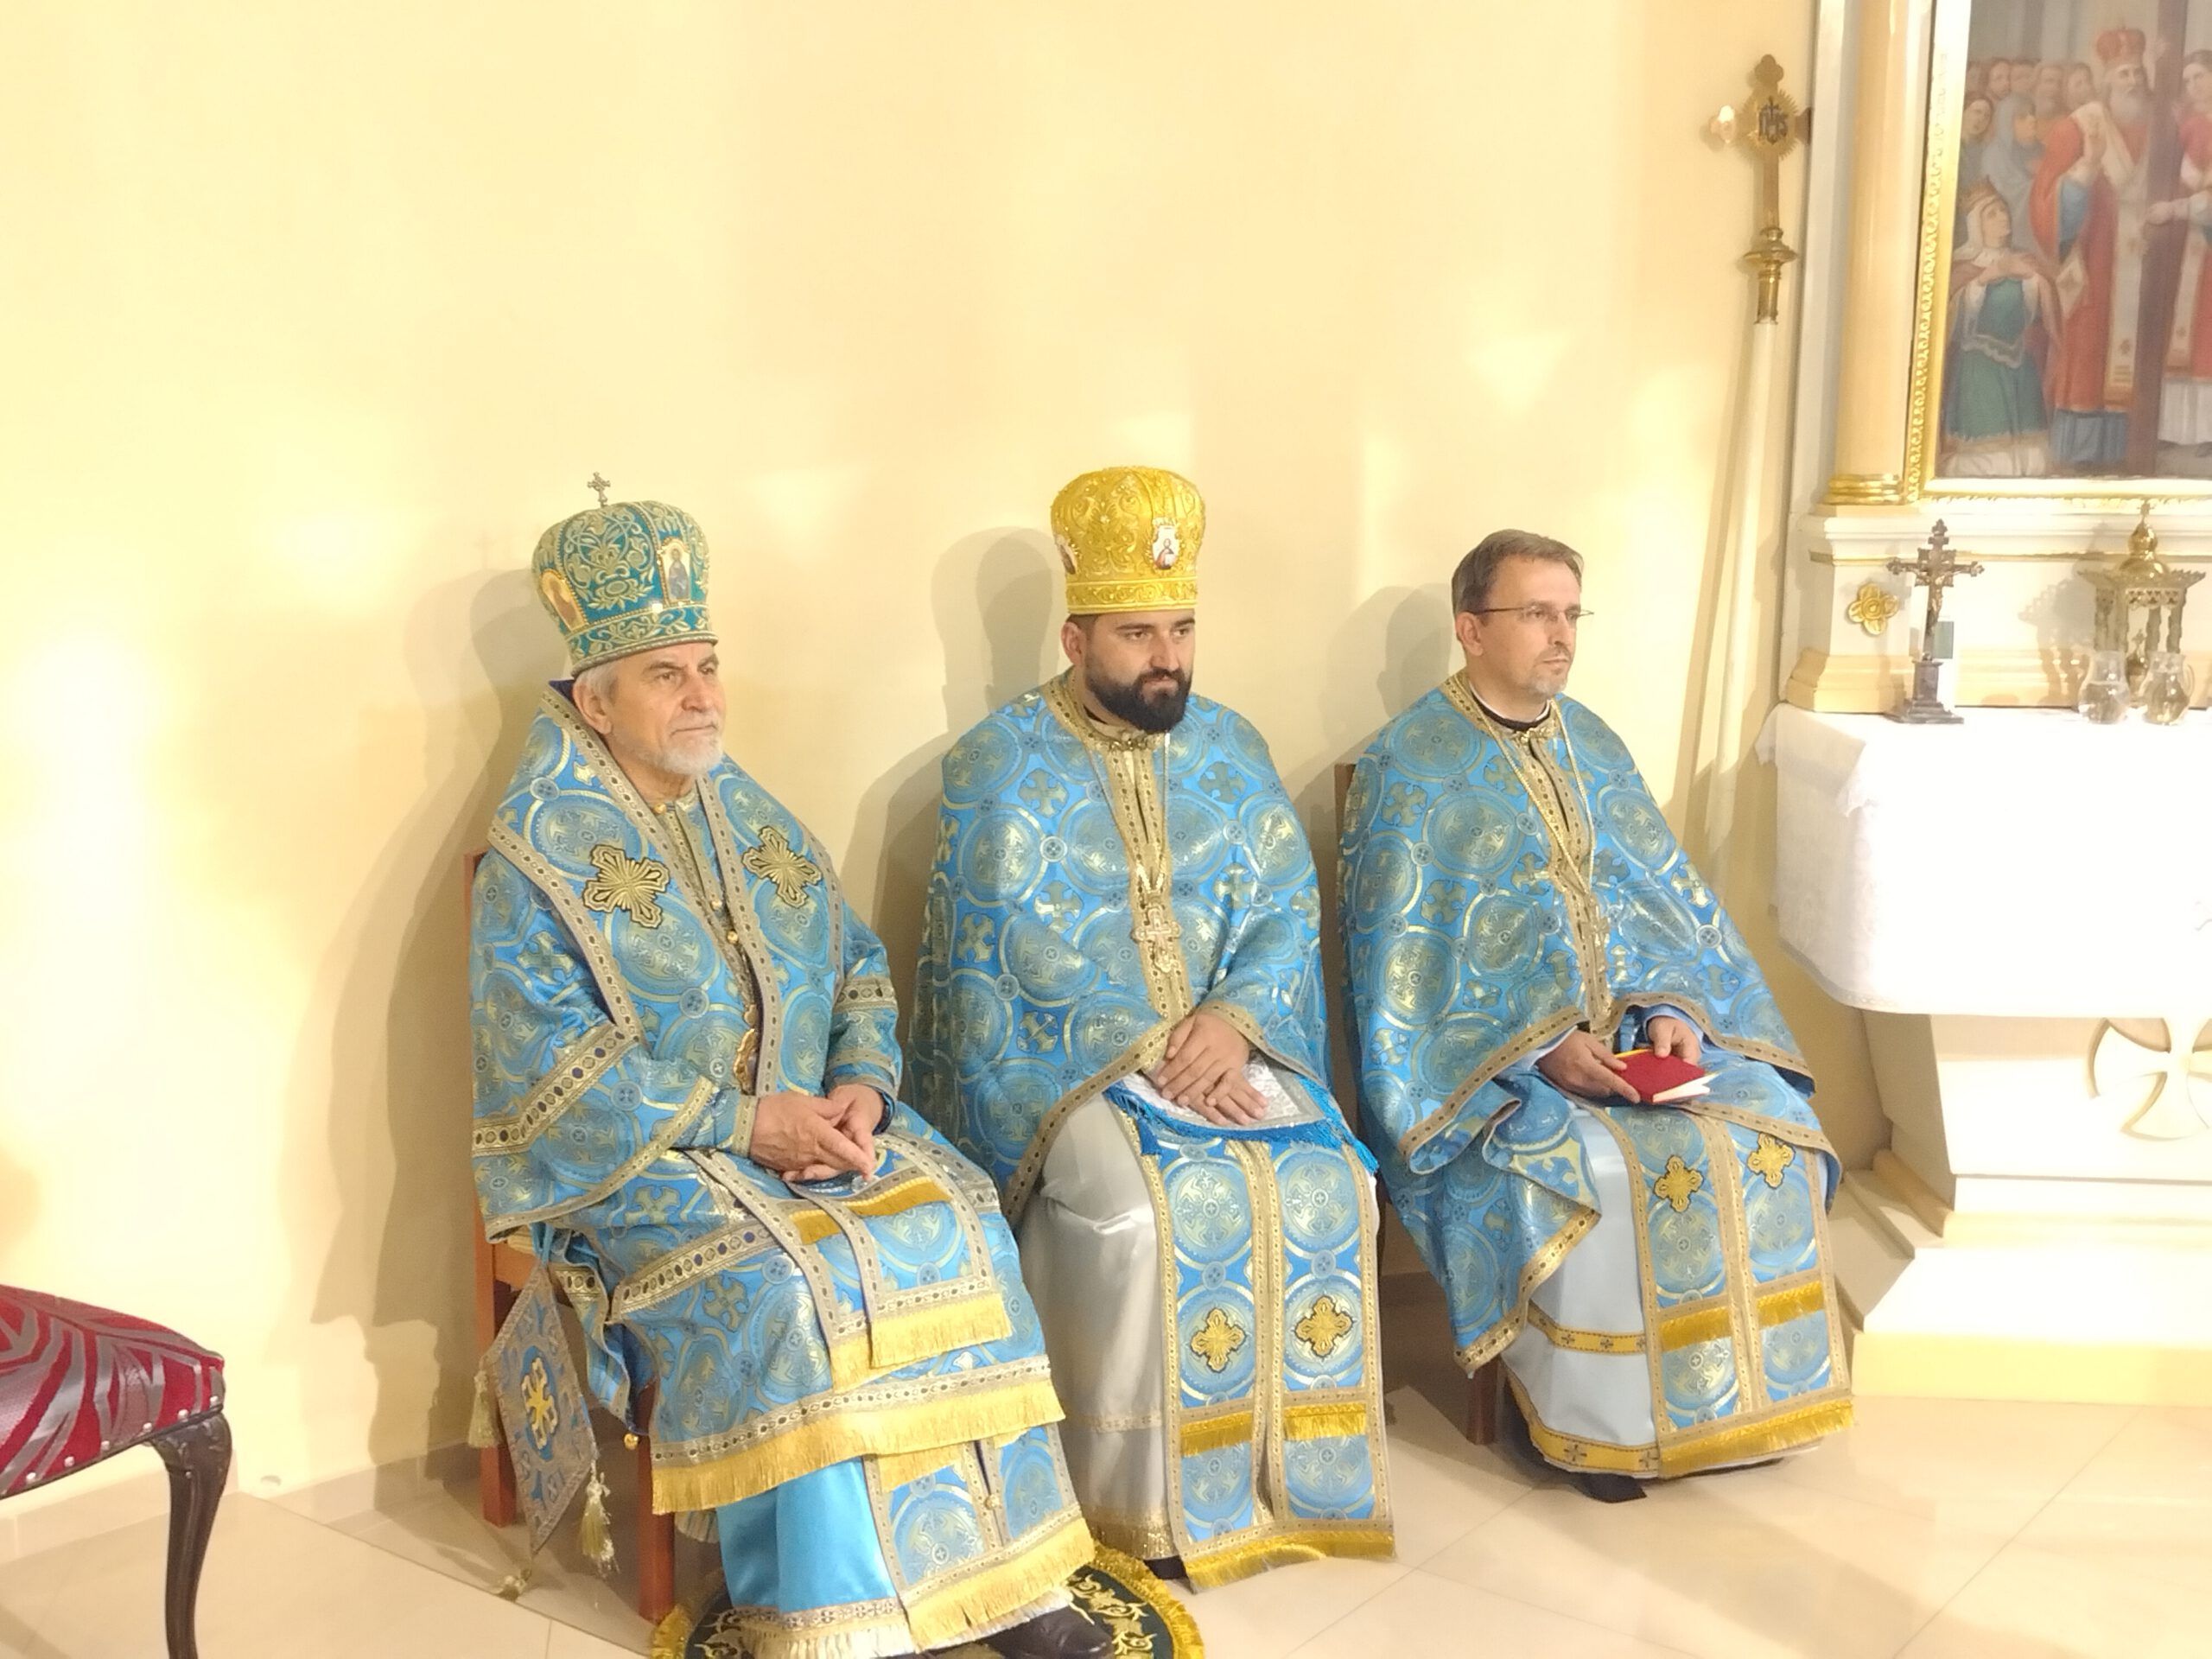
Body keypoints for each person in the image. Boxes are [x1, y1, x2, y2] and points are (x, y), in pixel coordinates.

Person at [470, 490, 1107, 1659]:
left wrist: (862, 1084)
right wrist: (740, 1121)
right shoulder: (534, 856)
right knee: (795, 1287)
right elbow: (547, 1076)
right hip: (641, 1165)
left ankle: (1008, 1583)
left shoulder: (743, 809)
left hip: (809, 1122)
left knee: (963, 1220)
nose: (704, 696)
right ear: (594, 701)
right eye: (667, 675)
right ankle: (835, 1614)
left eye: (709, 666)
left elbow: (854, 961)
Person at [911, 467, 1392, 1586]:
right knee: (1137, 1212)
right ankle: (1124, 1500)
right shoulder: (995, 763)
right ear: (1076, 639)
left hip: (1232, 1044)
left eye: (1180, 630)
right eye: (1137, 634)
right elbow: (1007, 944)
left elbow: (1283, 904)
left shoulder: (1231, 746)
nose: (1166, 657)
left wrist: (1232, 1023)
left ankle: (1286, 1481)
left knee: (1333, 1180)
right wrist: (1153, 1052)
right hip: (1074, 1068)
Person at [1338, 531, 1851, 1500]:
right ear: (1470, 628)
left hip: (1630, 1045)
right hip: (1495, 1073)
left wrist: (1667, 1009)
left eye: (1571, 614)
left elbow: (1660, 899)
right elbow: (1403, 973)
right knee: (1599, 1171)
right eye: (1537, 613)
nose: (1562, 635)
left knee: (1773, 1126)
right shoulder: (1411, 764)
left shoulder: (1592, 740)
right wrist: (1542, 1051)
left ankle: (1737, 1410)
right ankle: (1588, 1428)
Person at [2030, 28, 2158, 472]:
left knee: (2140, 354)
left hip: (2143, 260)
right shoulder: (2080, 126)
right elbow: (2045, 202)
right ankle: (2082, 454)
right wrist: (2086, 167)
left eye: (2137, 72)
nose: (2133, 81)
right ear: (2107, 79)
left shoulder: (2159, 127)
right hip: (2095, 258)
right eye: (2123, 73)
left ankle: (2131, 452)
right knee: (2088, 351)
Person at [1942, 180, 2060, 475]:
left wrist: (2034, 279)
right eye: (1991, 214)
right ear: (1976, 225)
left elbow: (2044, 316)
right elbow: (1949, 323)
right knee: (1988, 460)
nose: (2002, 218)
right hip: (1979, 369)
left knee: (2031, 461)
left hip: (2021, 366)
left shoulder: (2025, 261)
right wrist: (1985, 279)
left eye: (2003, 210)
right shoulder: (1962, 268)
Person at [2152, 49, 2212, 459]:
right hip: (2190, 244)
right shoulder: (2190, 125)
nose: (2193, 86)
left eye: (2200, 77)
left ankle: (2207, 430)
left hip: (2204, 236)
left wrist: (2174, 209)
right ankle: (2177, 428)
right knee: (2182, 331)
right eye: (2188, 80)